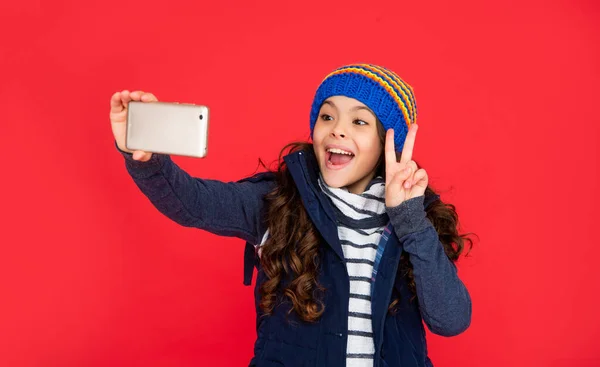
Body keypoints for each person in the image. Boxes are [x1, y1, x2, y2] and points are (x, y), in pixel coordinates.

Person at [110, 63, 473, 367]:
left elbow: (450, 320)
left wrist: (408, 218)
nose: (338, 128)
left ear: (388, 142)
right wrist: (147, 160)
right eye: (327, 115)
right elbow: (191, 203)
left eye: (359, 122)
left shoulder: (414, 218)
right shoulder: (279, 202)